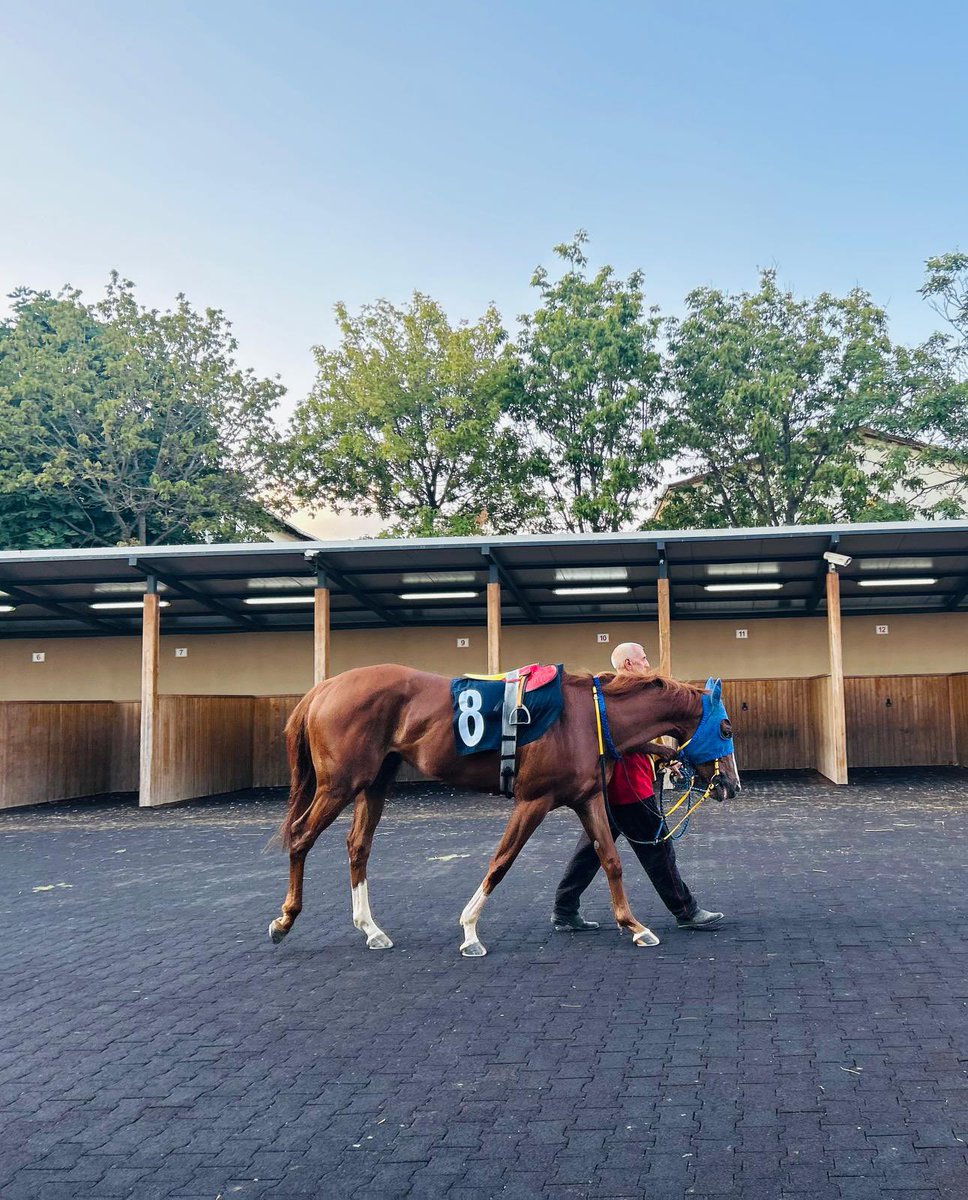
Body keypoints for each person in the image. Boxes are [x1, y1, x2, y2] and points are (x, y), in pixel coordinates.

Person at [550, 641, 724, 934]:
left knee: (591, 851)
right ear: (628, 664)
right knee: (658, 849)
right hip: (627, 789)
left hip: (609, 788)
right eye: (643, 659)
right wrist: (659, 750)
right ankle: (686, 911)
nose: (647, 663)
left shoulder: (613, 696)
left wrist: (658, 758)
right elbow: (620, 738)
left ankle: (564, 910)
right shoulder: (621, 696)